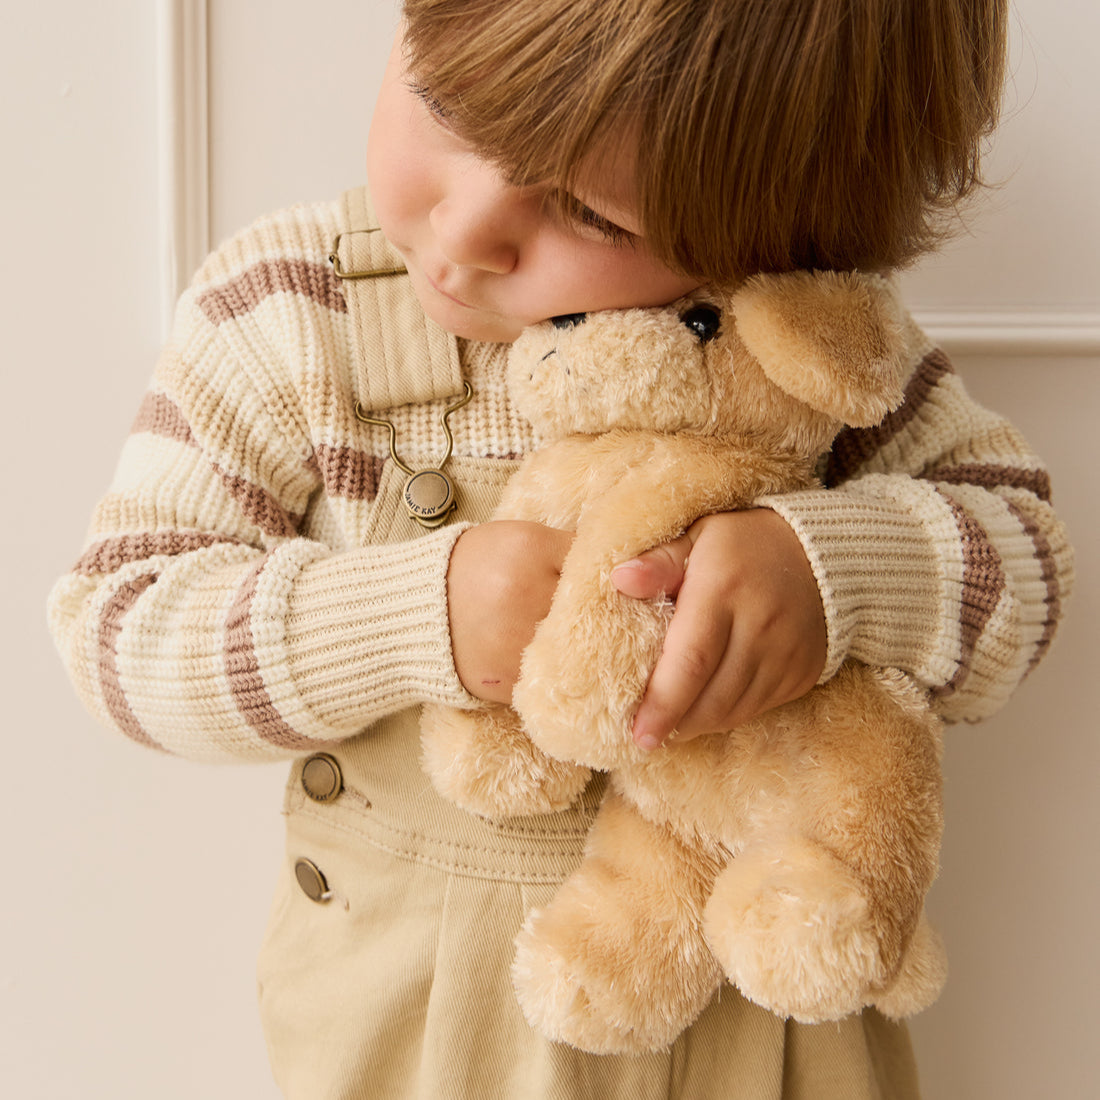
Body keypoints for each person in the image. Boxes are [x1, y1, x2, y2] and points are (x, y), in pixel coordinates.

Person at [48, 0, 1073, 1097]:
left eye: (588, 213)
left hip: (764, 1024)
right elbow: (123, 626)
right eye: (445, 107)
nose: (468, 227)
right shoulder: (291, 312)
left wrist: (834, 575)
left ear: (778, 234)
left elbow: (1022, 550)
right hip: (426, 1027)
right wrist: (414, 617)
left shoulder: (808, 328)